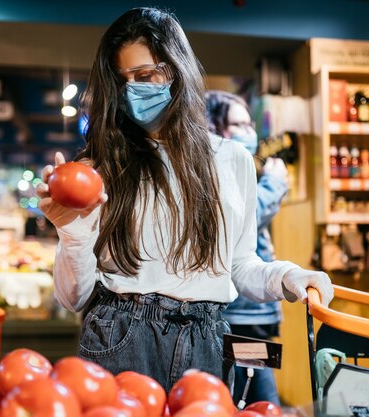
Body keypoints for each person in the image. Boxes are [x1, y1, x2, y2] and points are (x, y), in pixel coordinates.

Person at [37, 7, 333, 394]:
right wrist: (73, 236)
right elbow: (73, 298)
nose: (132, 91)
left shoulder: (232, 160)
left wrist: (289, 276)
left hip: (206, 340)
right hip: (120, 334)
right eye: (120, 81)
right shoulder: (97, 168)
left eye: (145, 76)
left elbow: (240, 266)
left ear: (177, 70)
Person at [205, 90, 287, 405]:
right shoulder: (216, 171)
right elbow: (240, 220)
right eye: (239, 124)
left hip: (251, 316)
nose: (250, 133)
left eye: (250, 124)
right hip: (238, 317)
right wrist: (275, 184)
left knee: (250, 397)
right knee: (261, 401)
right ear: (215, 127)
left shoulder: (240, 168)